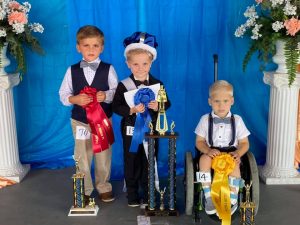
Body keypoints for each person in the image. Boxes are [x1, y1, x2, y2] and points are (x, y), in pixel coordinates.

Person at [59, 25, 118, 202]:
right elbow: (63, 94)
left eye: (95, 45)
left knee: (103, 154)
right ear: (78, 47)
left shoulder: (109, 69)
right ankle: (84, 189)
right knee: (82, 155)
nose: (91, 49)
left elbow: (116, 92)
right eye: (86, 45)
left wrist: (105, 95)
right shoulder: (72, 70)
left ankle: (103, 186)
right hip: (80, 121)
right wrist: (74, 99)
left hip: (103, 120)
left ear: (102, 47)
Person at [112, 31, 171, 207]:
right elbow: (116, 107)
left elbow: (167, 103)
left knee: (149, 161)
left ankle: (148, 194)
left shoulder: (158, 84)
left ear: (151, 63)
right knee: (131, 161)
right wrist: (131, 109)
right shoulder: (123, 85)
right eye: (135, 64)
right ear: (128, 64)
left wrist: (158, 106)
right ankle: (132, 195)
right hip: (130, 130)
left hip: (152, 129)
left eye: (145, 63)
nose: (140, 68)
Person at [194, 80, 250, 215]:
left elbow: (245, 143)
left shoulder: (237, 120)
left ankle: (232, 199)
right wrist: (207, 150)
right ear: (210, 102)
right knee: (203, 160)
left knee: (235, 166)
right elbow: (199, 141)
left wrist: (238, 153)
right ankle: (208, 196)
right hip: (211, 151)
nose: (221, 105)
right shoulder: (204, 120)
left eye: (225, 101)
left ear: (232, 101)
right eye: (217, 101)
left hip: (231, 153)